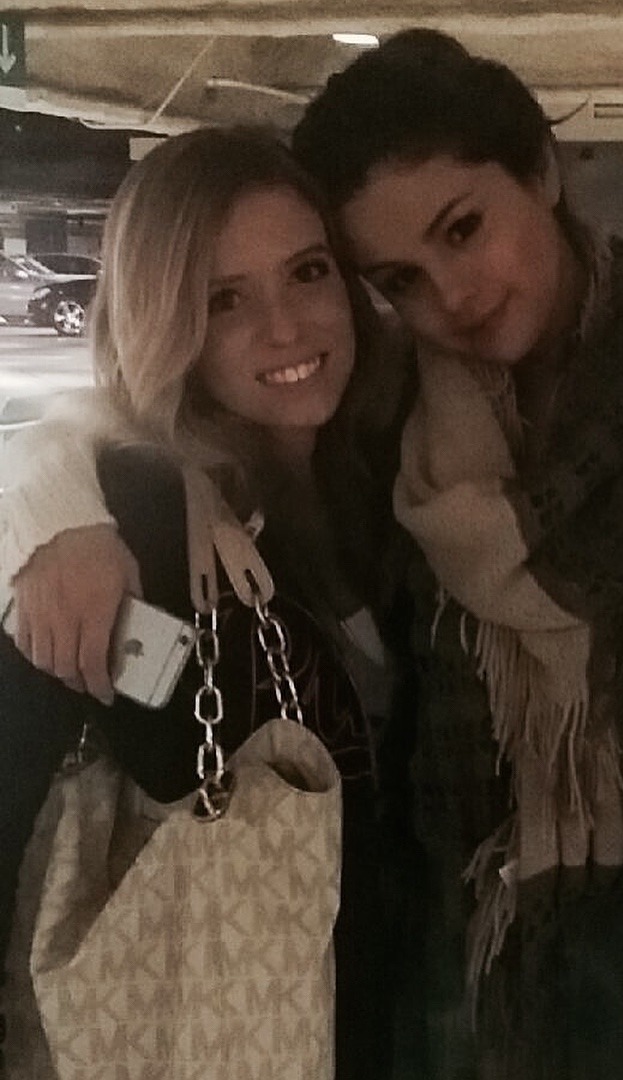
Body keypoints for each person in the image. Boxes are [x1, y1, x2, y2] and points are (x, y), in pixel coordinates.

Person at [1, 29, 623, 1079]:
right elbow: (106, 436)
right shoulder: (296, 463)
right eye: (401, 277)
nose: (450, 295)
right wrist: (43, 498)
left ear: (544, 171)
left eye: (464, 229)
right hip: (386, 988)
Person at [0, 126, 415, 1080]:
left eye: (307, 272)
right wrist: (38, 490)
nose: (287, 327)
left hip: (345, 1012)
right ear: (165, 322)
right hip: (194, 1029)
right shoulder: (132, 519)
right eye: (224, 299)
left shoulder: (374, 481)